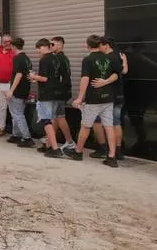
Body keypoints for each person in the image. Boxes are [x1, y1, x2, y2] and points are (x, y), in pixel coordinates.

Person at [64, 35, 121, 168]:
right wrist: (105, 82)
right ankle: (112, 157)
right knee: (109, 126)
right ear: (100, 44)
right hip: (108, 98)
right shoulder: (109, 57)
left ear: (88, 45)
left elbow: (85, 78)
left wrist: (79, 97)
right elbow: (117, 74)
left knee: (86, 126)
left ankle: (78, 152)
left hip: (93, 99)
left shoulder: (88, 60)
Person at [91, 36, 128, 159]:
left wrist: (104, 82)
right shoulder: (120, 55)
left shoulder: (107, 58)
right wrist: (124, 61)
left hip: (108, 96)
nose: (99, 48)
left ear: (106, 45)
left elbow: (115, 75)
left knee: (97, 121)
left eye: (100, 45)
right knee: (116, 123)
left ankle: (103, 149)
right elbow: (124, 71)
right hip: (119, 94)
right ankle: (118, 151)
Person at [29, 39, 65, 158]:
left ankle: (55, 148)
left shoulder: (44, 60)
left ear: (45, 47)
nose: (38, 50)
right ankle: (49, 145)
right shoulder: (57, 58)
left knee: (46, 120)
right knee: (52, 119)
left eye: (39, 48)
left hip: (46, 94)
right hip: (57, 93)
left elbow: (44, 78)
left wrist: (33, 76)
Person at [6, 38, 33, 148]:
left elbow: (19, 74)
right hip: (25, 89)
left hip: (17, 90)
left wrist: (11, 90)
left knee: (17, 114)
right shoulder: (26, 58)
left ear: (13, 46)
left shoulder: (17, 58)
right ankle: (16, 134)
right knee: (16, 113)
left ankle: (27, 137)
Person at [50, 36, 75, 150]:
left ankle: (70, 141)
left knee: (59, 116)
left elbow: (56, 77)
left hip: (59, 92)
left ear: (60, 44)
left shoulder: (58, 59)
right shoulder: (63, 58)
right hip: (63, 91)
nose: (51, 46)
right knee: (55, 117)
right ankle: (50, 141)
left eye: (53, 44)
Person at [0, 34, 15, 137]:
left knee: (14, 109)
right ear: (2, 42)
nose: (7, 43)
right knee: (1, 108)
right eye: (5, 41)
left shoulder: (14, 53)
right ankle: (1, 128)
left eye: (9, 41)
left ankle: (16, 132)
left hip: (10, 85)